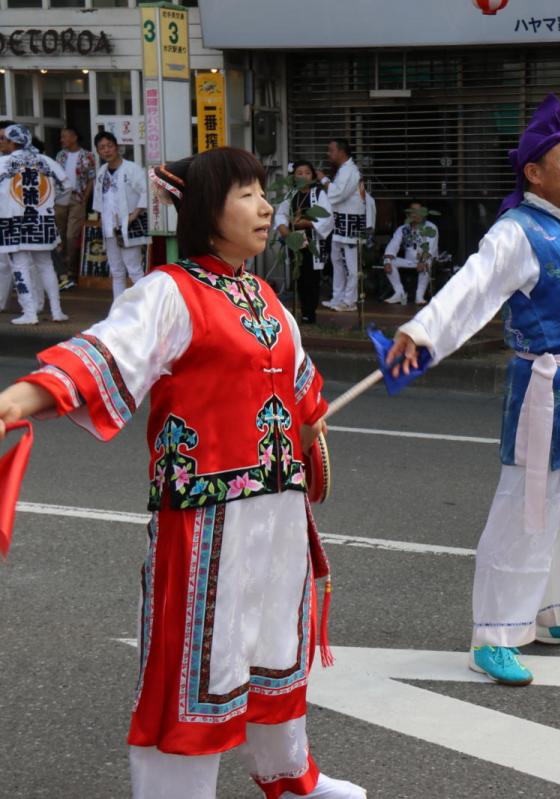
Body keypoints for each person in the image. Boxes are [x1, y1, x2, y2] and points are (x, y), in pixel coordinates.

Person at [0, 147, 364, 799]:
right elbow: (103, 355)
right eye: (246, 194)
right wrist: (17, 401)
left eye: (263, 192)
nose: (264, 206)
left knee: (275, 647)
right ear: (205, 213)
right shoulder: (169, 291)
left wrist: (310, 426)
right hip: (206, 516)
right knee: (195, 664)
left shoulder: (264, 295)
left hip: (277, 510)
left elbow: (302, 392)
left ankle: (289, 775)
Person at [387, 94, 560, 687]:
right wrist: (422, 329)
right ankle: (493, 636)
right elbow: (471, 288)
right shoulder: (515, 232)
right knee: (525, 508)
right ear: (534, 172)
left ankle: (555, 615)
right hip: (542, 388)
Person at [0, 124, 69, 325]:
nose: (2, 142)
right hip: (42, 220)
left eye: (4, 139)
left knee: (20, 266)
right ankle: (57, 311)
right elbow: (66, 186)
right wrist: (48, 203)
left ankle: (30, 313)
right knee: (46, 265)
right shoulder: (45, 161)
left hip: (13, 222)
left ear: (12, 142)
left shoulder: (4, 163)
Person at [274, 160, 332, 324]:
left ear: (312, 176)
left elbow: (327, 217)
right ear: (293, 177)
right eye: (299, 173)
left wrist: (309, 223)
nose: (303, 176)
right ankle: (301, 311)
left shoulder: (318, 194)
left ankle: (309, 313)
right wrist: (284, 229)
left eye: (307, 173)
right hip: (295, 241)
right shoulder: (290, 194)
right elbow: (281, 215)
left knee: (311, 278)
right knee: (298, 276)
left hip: (313, 242)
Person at [93, 131, 149, 300]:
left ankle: (145, 306)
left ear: (117, 147)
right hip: (110, 227)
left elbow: (146, 191)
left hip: (128, 225)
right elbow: (99, 199)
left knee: (134, 269)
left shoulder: (131, 168)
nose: (106, 150)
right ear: (98, 151)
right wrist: (101, 220)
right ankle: (117, 309)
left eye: (109, 146)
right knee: (116, 271)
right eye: (102, 147)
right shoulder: (102, 172)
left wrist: (134, 214)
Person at [317, 139, 365, 312]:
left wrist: (323, 179)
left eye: (331, 150)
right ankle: (337, 297)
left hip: (350, 223)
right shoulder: (344, 169)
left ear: (341, 152)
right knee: (336, 260)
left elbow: (337, 194)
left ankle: (349, 301)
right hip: (342, 221)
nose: (328, 154)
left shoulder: (349, 170)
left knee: (351, 265)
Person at [53, 126, 96, 289]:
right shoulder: (60, 155)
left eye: (65, 136)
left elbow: (91, 178)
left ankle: (70, 270)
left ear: (74, 137)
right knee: (59, 235)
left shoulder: (87, 155)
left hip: (77, 198)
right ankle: (60, 272)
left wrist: (85, 198)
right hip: (59, 199)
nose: (62, 140)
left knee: (72, 235)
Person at [382, 201, 438, 305]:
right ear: (408, 214)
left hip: (426, 260)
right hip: (410, 261)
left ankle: (419, 296)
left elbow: (430, 248)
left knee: (427, 262)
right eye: (413, 211)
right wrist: (387, 260)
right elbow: (393, 245)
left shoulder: (431, 227)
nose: (416, 214)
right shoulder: (403, 229)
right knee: (389, 261)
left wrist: (422, 261)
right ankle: (399, 293)